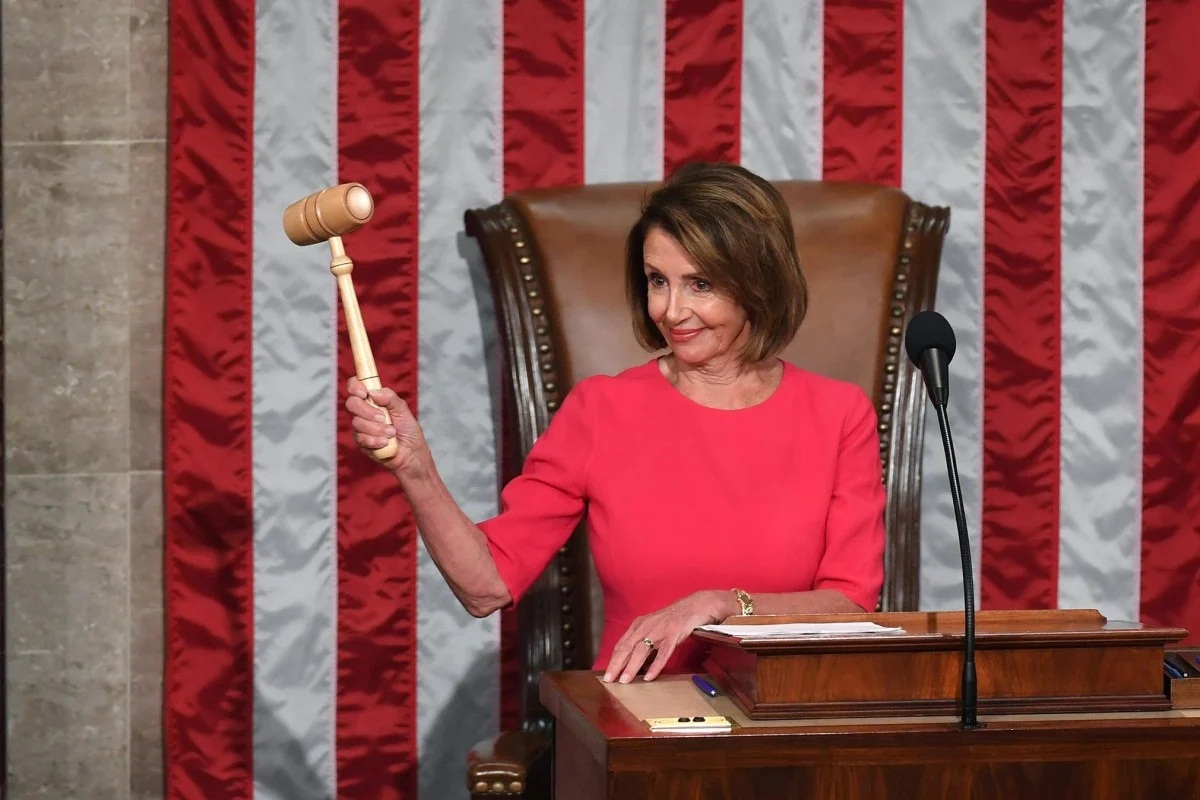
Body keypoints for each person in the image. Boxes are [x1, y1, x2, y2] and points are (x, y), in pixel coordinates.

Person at [344, 162, 886, 685]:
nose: (671, 310)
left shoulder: (839, 414)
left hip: (782, 716)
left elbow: (850, 605)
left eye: (700, 284)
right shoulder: (601, 410)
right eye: (657, 281)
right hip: (637, 721)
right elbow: (485, 586)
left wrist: (721, 605)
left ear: (759, 282)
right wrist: (415, 467)